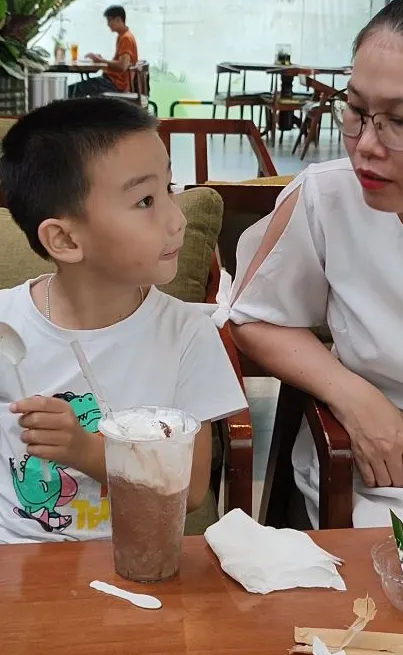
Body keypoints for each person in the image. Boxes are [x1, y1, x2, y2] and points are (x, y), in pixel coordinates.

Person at [0, 97, 246, 543]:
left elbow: (190, 490)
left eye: (170, 188)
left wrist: (86, 451)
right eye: (145, 200)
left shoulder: (186, 335)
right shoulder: (6, 327)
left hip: (133, 559)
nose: (176, 219)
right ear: (64, 239)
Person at [217, 0, 403, 528]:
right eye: (356, 111)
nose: (365, 144)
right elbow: (254, 317)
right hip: (379, 477)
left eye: (399, 120)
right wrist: (353, 396)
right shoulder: (329, 197)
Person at [68, 5, 138, 98]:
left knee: (72, 90)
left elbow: (123, 66)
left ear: (118, 19)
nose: (108, 24)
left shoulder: (126, 38)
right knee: (81, 87)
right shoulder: (123, 37)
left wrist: (101, 61)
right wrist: (101, 59)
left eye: (109, 20)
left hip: (116, 85)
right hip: (112, 82)